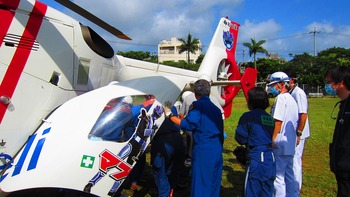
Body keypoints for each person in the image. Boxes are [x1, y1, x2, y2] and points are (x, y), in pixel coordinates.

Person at [168, 79, 224, 197]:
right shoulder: (216, 109)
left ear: (195, 92)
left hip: (204, 149)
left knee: (200, 183)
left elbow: (188, 124)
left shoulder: (197, 106)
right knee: (213, 183)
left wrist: (170, 116)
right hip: (217, 148)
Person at [235, 87, 276, 197]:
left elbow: (240, 138)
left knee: (251, 191)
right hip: (270, 158)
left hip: (256, 158)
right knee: (267, 191)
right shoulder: (269, 118)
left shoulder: (248, 116)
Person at [267, 71, 298, 197]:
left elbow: (278, 121)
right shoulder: (291, 99)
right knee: (289, 175)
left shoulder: (281, 99)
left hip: (280, 143)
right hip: (289, 143)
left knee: (278, 178)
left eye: (273, 85)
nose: (271, 88)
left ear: (281, 84)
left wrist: (272, 139)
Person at [284, 68, 310, 196]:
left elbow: (303, 114)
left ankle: (295, 190)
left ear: (292, 80)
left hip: (298, 133)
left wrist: (299, 133)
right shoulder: (291, 92)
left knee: (295, 161)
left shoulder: (298, 93)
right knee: (292, 160)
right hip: (293, 132)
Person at [325, 66, 350, 197]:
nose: (327, 86)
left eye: (329, 82)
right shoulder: (343, 104)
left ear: (340, 82)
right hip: (341, 166)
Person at [151, 104, 185, 197]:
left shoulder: (151, 105)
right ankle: (171, 189)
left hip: (162, 140)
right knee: (173, 168)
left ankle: (164, 193)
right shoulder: (171, 104)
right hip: (177, 138)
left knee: (160, 170)